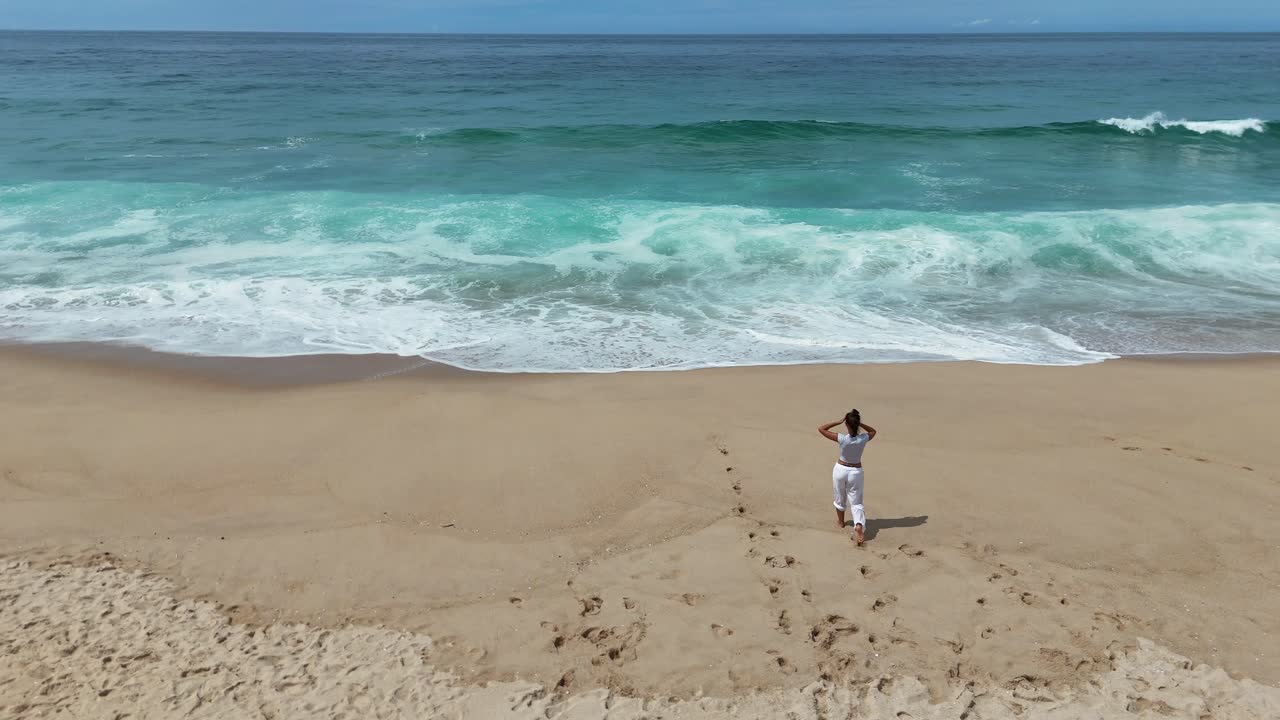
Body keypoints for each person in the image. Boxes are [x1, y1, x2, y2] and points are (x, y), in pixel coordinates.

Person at [818, 409, 877, 546]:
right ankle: (859, 525)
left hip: (840, 470)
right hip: (856, 472)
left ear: (847, 424)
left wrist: (838, 421)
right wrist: (860, 424)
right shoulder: (863, 439)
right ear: (857, 424)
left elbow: (821, 429)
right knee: (856, 502)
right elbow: (873, 431)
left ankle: (841, 522)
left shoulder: (842, 438)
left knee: (839, 496)